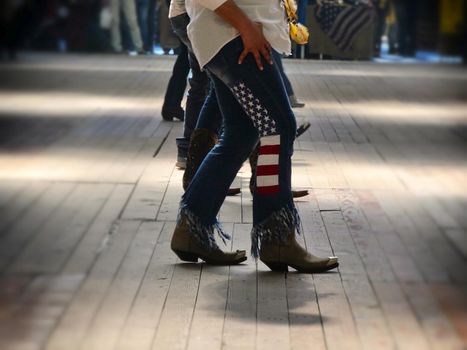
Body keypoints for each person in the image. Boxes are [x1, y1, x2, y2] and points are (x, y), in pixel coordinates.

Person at [170, 0, 338, 272]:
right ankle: (276, 237)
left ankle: (192, 228)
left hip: (231, 33)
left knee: (241, 131)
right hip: (232, 34)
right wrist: (245, 26)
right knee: (278, 127)